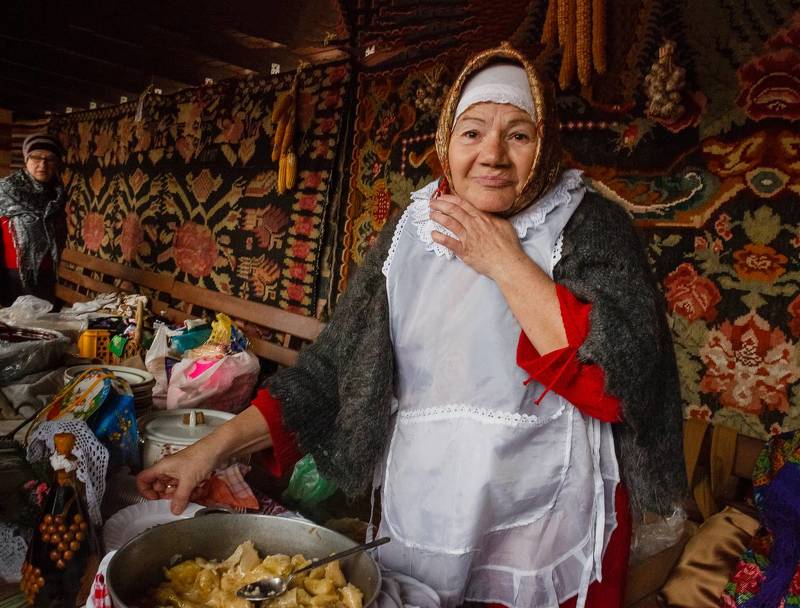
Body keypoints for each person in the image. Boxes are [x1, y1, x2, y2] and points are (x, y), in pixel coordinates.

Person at [138, 44, 685, 608]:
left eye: (518, 135)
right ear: (446, 140)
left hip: (547, 523)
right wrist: (207, 451)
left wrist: (503, 260)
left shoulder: (587, 223)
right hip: (426, 511)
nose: (492, 155)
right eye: (472, 132)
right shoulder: (410, 232)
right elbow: (329, 372)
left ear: (545, 142)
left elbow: (618, 381)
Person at [0, 132, 66, 306]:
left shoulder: (57, 196)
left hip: (46, 278)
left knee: (43, 321)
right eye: (36, 157)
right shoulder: (6, 191)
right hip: (11, 278)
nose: (43, 164)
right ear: (26, 159)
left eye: (50, 159)